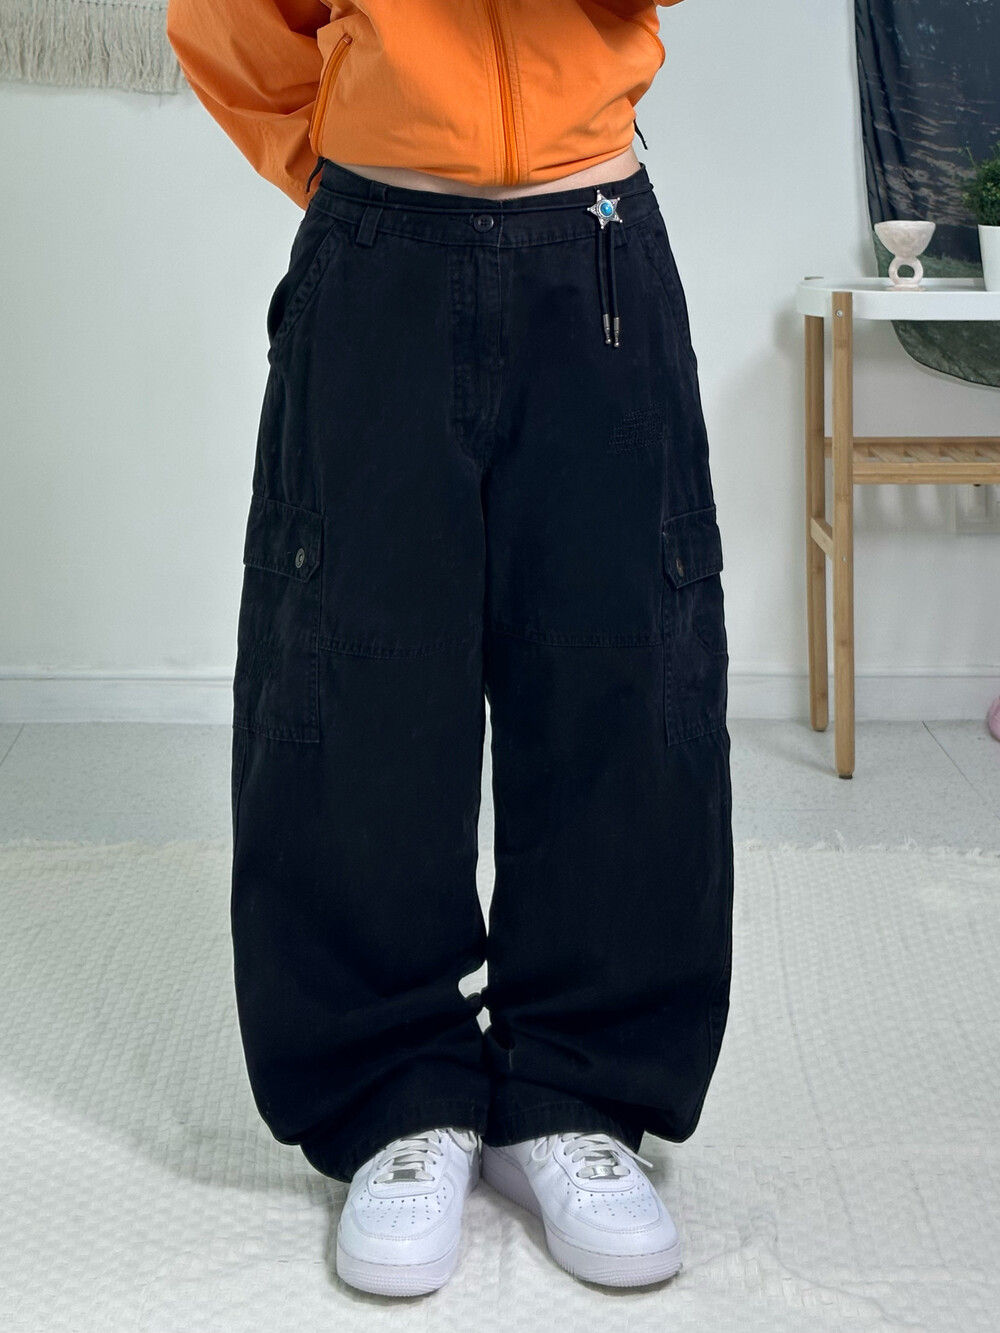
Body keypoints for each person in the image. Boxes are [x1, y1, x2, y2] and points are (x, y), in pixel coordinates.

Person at [166, 0, 734, 1298]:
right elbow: (229, 15)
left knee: (620, 665)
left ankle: (579, 1093)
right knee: (352, 672)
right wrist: (354, 150)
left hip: (595, 236)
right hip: (379, 241)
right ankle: (391, 1095)